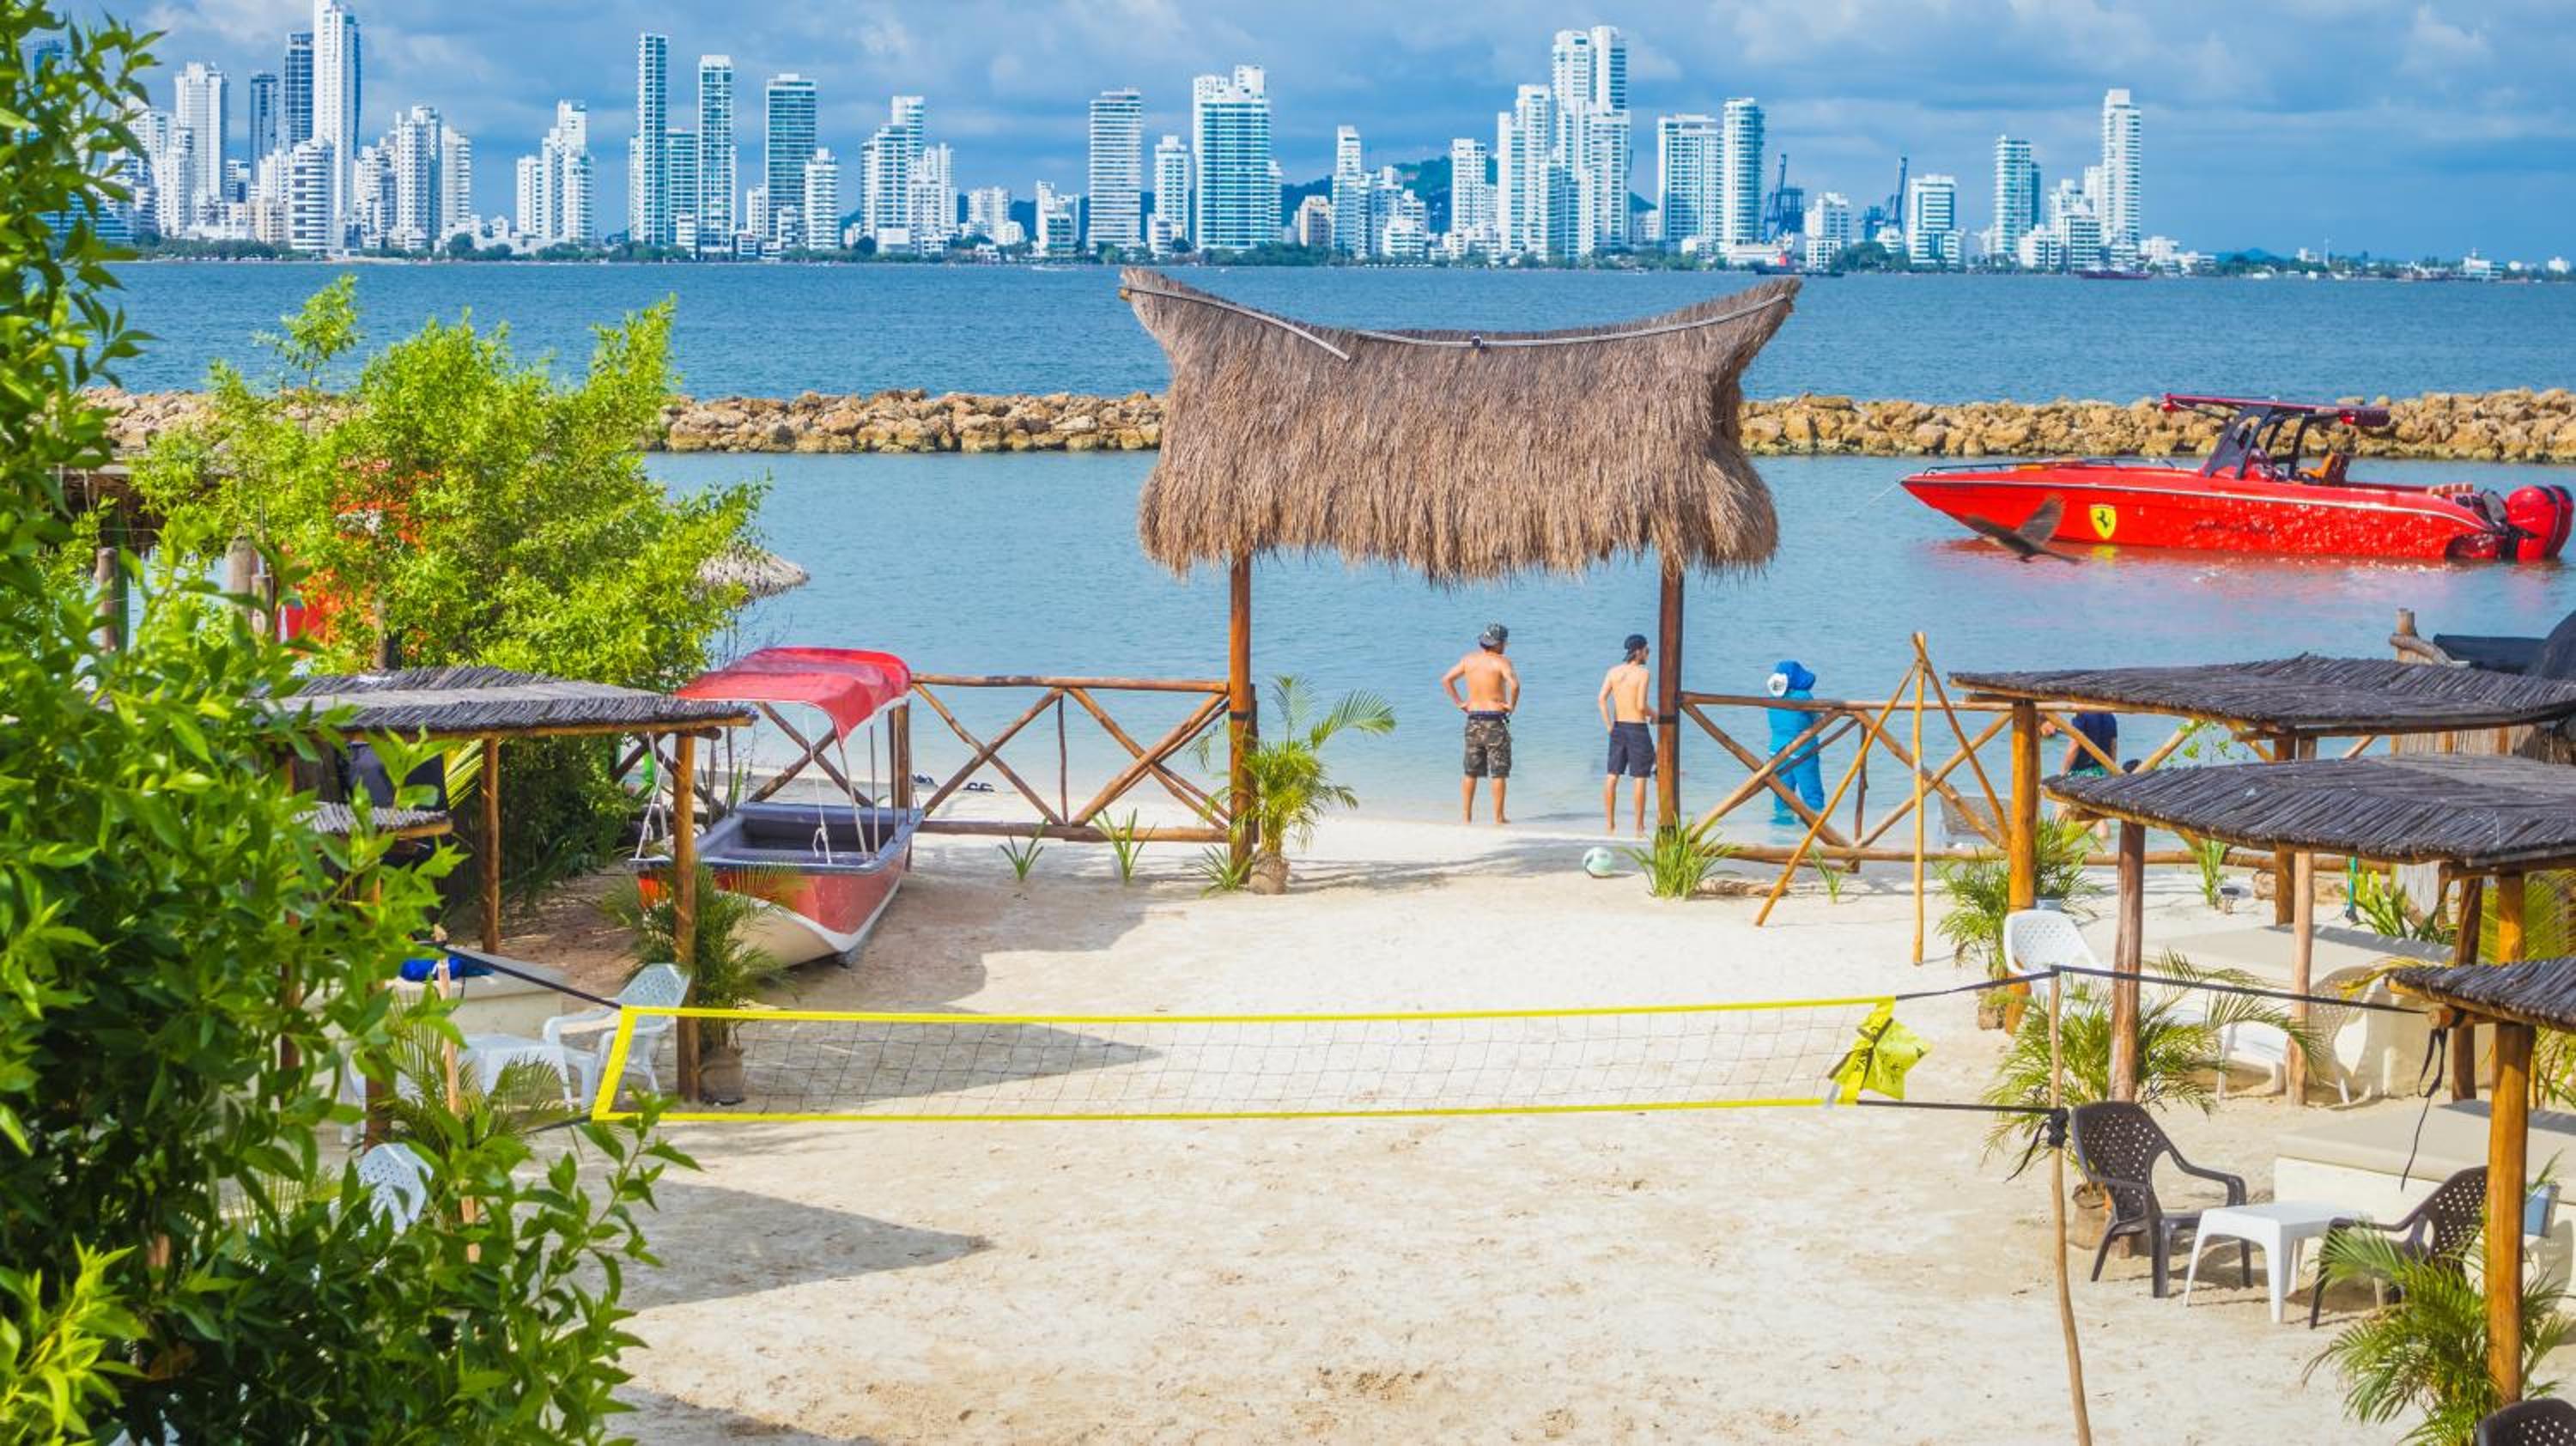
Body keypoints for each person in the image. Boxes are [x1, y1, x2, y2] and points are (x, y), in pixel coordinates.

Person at [1442, 623, 1520, 824]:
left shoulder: (1468, 660)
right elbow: (1515, 685)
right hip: (1494, 721)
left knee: (1470, 772)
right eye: (1504, 643)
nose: (1505, 646)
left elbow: (1447, 680)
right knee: (1499, 772)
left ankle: (1466, 817)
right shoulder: (1502, 662)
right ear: (1498, 643)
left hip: (1473, 719)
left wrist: (1460, 703)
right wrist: (1511, 706)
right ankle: (1499, 818)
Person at [1598, 633, 1655, 835]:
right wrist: (1656, 715)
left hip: (1618, 727)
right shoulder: (1643, 673)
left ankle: (1610, 825)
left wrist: (1609, 726)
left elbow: (1601, 699)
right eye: (1647, 650)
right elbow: (1641, 706)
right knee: (1640, 777)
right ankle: (1639, 827)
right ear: (1638, 652)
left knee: (1612, 775)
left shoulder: (1613, 672)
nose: (1648, 654)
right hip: (1637, 728)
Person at [1765, 659, 1823, 826]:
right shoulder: (1803, 697)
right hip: (1802, 751)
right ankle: (1814, 829)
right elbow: (1817, 719)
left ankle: (1780, 832)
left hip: (1776, 751)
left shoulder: (1772, 698)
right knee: (1812, 794)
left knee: (1782, 794)